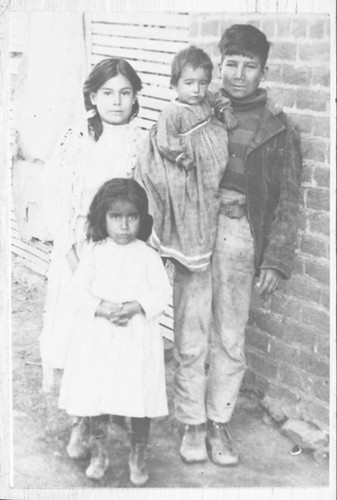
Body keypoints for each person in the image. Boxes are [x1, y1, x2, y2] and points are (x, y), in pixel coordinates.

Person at [170, 25, 302, 465]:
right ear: (219, 64)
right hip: (195, 231)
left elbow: (287, 198)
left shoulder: (279, 127)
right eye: (232, 64)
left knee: (230, 335)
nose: (240, 74)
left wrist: (276, 260)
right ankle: (191, 422)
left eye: (250, 66)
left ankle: (218, 423)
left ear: (264, 70)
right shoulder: (194, 109)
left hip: (239, 234)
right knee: (191, 332)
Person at [40, 57, 145, 393]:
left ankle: (111, 404)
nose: (117, 101)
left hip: (122, 246)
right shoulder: (77, 137)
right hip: (80, 246)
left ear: (135, 97)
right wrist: (71, 256)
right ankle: (82, 417)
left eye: (125, 93)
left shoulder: (142, 143)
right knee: (80, 323)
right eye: (108, 92)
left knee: (116, 328)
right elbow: (55, 198)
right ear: (93, 97)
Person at [58, 178, 171, 484]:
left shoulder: (148, 255)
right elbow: (78, 291)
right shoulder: (94, 253)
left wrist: (135, 306)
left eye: (131, 217)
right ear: (102, 218)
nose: (123, 226)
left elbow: (162, 294)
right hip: (100, 337)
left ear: (142, 219)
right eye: (115, 217)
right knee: (97, 396)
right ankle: (99, 453)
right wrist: (103, 307)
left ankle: (138, 454)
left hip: (136, 338)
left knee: (138, 399)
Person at [136, 46, 237, 272]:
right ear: (175, 84)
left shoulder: (206, 99)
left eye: (202, 83)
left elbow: (218, 98)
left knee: (208, 198)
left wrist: (226, 112)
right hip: (187, 165)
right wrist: (180, 158)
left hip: (209, 167)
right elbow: (165, 140)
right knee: (189, 200)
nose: (197, 90)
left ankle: (198, 248)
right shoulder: (173, 112)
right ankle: (180, 246)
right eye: (189, 83)